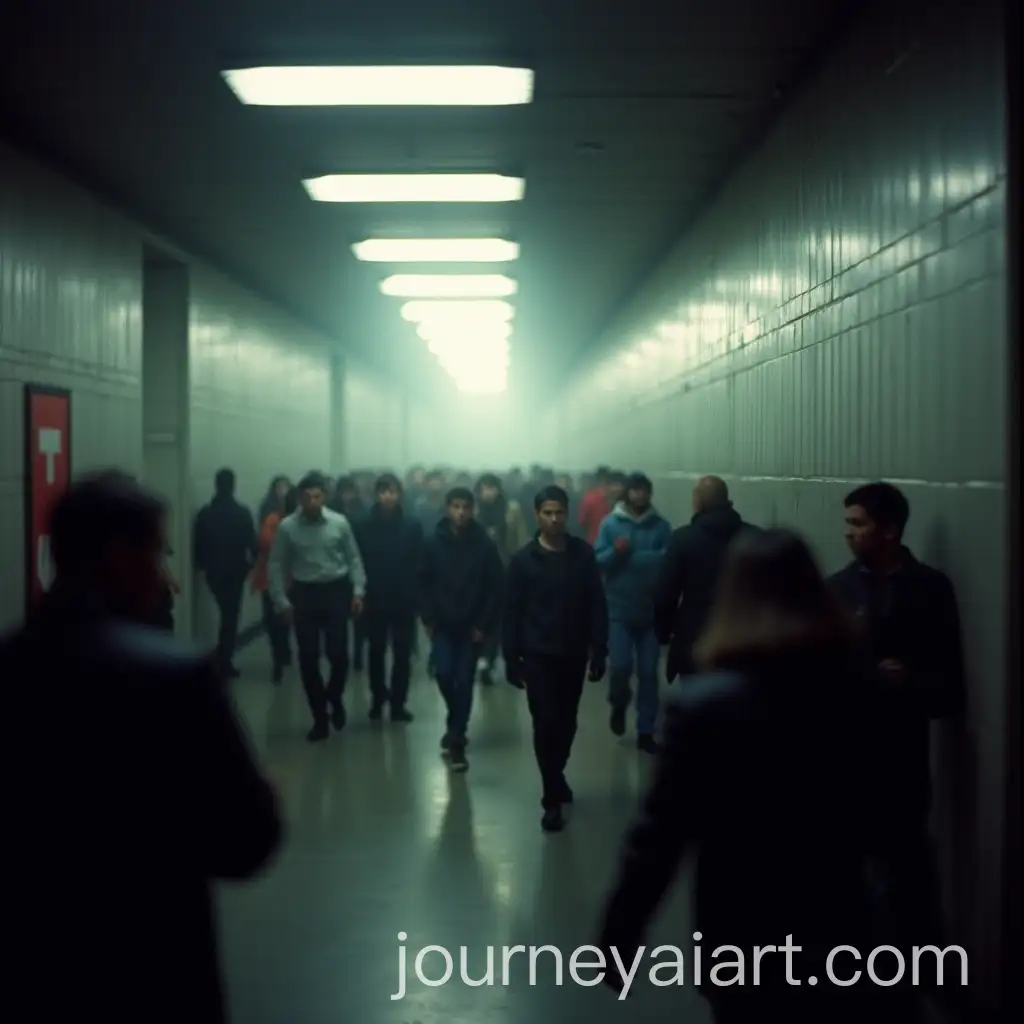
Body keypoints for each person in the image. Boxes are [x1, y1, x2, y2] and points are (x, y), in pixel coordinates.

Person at [1, 470, 282, 1024]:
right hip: (156, 968)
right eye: (155, 554)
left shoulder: (9, 670)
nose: (161, 574)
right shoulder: (177, 678)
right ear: (118, 554)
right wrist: (263, 797)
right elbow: (244, 845)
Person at [596, 529, 883, 1024]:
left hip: (739, 928)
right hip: (838, 920)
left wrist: (622, 934)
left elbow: (660, 836)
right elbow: (899, 831)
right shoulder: (858, 696)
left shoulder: (703, 707)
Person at [829, 482, 965, 967]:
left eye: (858, 523)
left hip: (903, 758)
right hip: (844, 758)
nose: (847, 533)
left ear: (889, 531)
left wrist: (911, 681)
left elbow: (951, 688)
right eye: (847, 522)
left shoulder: (929, 590)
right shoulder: (837, 592)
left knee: (909, 870)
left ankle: (920, 970)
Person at [503, 485, 608, 831]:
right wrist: (510, 657)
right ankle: (550, 797)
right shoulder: (522, 561)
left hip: (573, 652)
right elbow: (512, 613)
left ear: (567, 513)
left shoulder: (582, 555)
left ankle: (556, 771)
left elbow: (596, 602)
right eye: (547, 512)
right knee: (544, 722)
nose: (553, 518)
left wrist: (599, 648)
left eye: (559, 512)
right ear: (537, 515)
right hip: (538, 654)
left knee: (566, 722)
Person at [268, 470, 367, 742]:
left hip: (335, 591)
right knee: (308, 658)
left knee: (339, 656)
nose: (313, 502)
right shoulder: (288, 527)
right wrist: (281, 600)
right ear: (300, 498)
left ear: (324, 497)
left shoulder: (339, 523)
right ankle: (319, 718)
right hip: (305, 594)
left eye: (318, 496)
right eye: (308, 497)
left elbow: (354, 558)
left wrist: (358, 591)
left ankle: (334, 696)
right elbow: (276, 564)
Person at [419, 486, 504, 772]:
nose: (461, 512)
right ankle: (455, 720)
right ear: (448, 509)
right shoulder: (432, 543)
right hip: (442, 625)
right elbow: (423, 583)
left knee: (465, 680)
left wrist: (484, 624)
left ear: (472, 510)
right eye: (455, 507)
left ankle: (457, 742)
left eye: (466, 507)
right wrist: (428, 619)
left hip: (472, 627)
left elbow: (496, 588)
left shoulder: (484, 544)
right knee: (444, 673)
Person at [593, 471, 672, 752]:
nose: (640, 495)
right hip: (618, 609)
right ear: (628, 493)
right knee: (621, 666)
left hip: (650, 611)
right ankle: (618, 701)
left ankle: (646, 730)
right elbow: (598, 561)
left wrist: (631, 558)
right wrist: (616, 552)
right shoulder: (611, 525)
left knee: (649, 672)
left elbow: (667, 562)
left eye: (644, 490)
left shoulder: (661, 526)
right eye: (635, 490)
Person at [654, 475, 758, 681]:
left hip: (695, 643)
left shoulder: (684, 539)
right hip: (741, 642)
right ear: (728, 502)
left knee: (698, 705)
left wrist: (664, 632)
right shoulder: (753, 537)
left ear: (699, 501)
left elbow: (665, 593)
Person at [354, 473, 423, 722]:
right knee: (376, 651)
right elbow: (357, 561)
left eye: (392, 491)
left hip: (403, 598)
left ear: (399, 494)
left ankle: (398, 703)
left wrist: (417, 595)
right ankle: (377, 699)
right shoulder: (362, 524)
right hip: (374, 597)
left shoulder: (412, 525)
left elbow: (419, 562)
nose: (387, 496)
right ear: (376, 494)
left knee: (403, 653)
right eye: (383, 491)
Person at [193, 467, 257, 678]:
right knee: (230, 617)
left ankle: (222, 658)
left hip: (213, 572)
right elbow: (252, 544)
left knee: (226, 615)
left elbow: (198, 545)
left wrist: (201, 564)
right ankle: (224, 661)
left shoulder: (205, 513)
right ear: (233, 485)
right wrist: (251, 566)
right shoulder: (242, 512)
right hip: (235, 571)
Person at [474, 472, 528, 684]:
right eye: (484, 488)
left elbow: (522, 540)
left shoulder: (511, 510)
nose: (488, 492)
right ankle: (485, 659)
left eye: (492, 487)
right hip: (479, 573)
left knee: (504, 619)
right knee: (484, 617)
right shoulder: (473, 510)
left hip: (506, 570)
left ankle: (495, 660)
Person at [251, 485, 298, 682]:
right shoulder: (275, 520)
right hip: (274, 579)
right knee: (275, 622)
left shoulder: (282, 521)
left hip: (290, 580)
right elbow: (264, 543)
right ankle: (280, 658)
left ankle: (282, 655)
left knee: (281, 622)